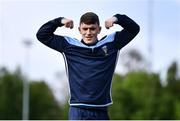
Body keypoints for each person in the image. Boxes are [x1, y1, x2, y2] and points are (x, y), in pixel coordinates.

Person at [36, 12, 140, 120]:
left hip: (101, 110)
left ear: (99, 29)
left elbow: (134, 29)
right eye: (85, 29)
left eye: (92, 28)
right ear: (79, 30)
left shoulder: (112, 43)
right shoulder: (69, 45)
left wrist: (117, 18)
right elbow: (42, 35)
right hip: (77, 110)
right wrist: (60, 21)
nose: (88, 32)